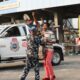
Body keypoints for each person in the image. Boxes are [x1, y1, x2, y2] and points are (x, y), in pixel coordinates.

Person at [20, 13, 41, 80]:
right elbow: (41, 42)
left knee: (27, 67)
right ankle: (37, 78)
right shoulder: (37, 38)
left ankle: (22, 78)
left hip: (28, 54)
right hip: (34, 55)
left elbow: (34, 26)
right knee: (36, 68)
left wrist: (32, 18)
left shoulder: (28, 36)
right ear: (35, 31)